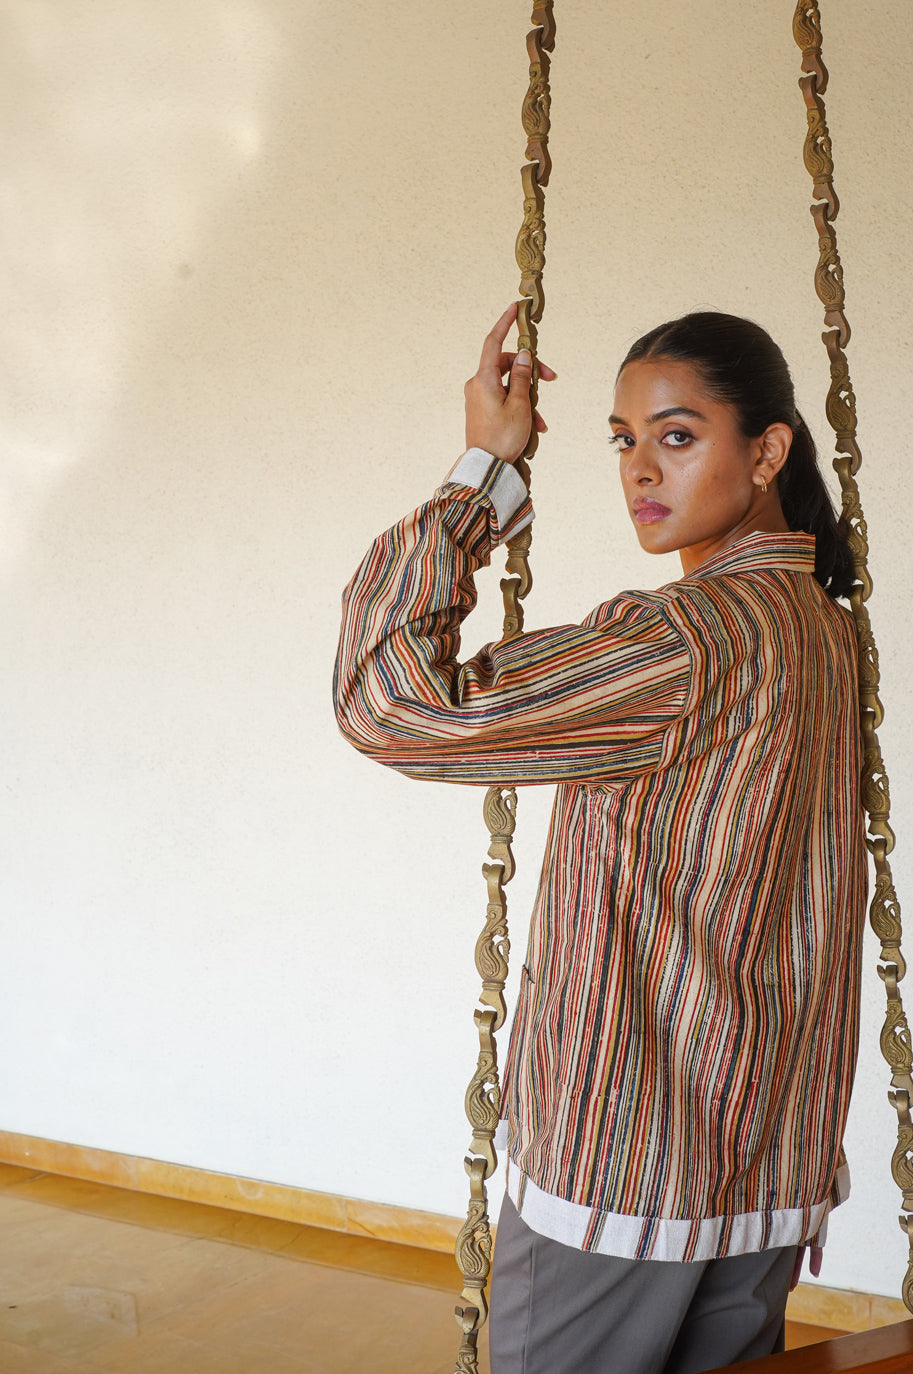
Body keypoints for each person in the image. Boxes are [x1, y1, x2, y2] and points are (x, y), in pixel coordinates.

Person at [333, 303, 868, 1374]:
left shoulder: (686, 640)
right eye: (624, 440)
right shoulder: (819, 622)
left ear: (766, 451)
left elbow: (391, 704)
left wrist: (483, 471)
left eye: (677, 435)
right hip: (764, 1162)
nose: (640, 470)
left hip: (627, 1166)